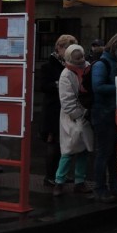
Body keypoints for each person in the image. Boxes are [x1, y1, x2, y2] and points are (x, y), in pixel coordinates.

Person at [53, 44, 95, 195]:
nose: (81, 60)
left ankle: (79, 181)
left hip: (83, 114)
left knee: (83, 149)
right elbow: (66, 100)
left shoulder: (87, 67)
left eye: (81, 57)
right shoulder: (66, 74)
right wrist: (80, 114)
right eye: (77, 58)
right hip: (72, 116)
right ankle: (59, 181)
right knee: (69, 149)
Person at [39, 34, 77, 187]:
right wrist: (58, 84)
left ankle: (61, 173)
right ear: (59, 48)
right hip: (53, 109)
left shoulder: (69, 65)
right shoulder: (48, 66)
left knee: (65, 144)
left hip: (65, 108)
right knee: (53, 143)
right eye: (66, 48)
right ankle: (50, 176)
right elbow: (43, 86)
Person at [92, 34, 117, 203]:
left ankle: (114, 186)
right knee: (104, 153)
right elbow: (98, 86)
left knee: (112, 153)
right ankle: (100, 188)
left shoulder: (110, 62)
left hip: (111, 113)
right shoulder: (103, 64)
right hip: (103, 114)